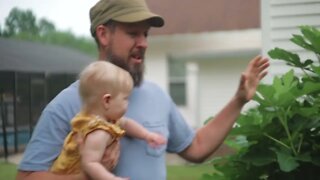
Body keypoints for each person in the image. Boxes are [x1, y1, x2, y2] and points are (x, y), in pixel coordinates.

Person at [16, 0, 270, 179]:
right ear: (104, 35)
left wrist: (238, 100)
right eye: (133, 33)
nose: (144, 43)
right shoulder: (68, 103)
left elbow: (197, 147)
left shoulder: (156, 96)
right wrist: (89, 173)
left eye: (146, 34)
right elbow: (26, 177)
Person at [49, 61, 166, 180]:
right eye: (125, 98)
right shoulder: (98, 132)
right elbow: (90, 164)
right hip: (70, 173)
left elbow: (126, 123)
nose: (128, 103)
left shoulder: (106, 120)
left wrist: (147, 135)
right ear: (107, 101)